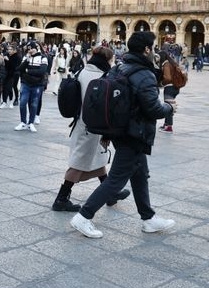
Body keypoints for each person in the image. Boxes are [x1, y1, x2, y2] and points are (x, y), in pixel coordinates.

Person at [70, 31, 177, 239]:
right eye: (153, 47)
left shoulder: (120, 66)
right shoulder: (143, 73)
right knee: (116, 180)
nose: (154, 50)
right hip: (134, 133)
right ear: (146, 49)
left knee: (140, 175)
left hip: (121, 131)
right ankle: (84, 216)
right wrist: (169, 107)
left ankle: (148, 218)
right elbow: (153, 109)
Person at [52, 46, 130, 212]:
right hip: (92, 126)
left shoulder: (82, 71)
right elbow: (102, 106)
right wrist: (107, 131)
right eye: (111, 60)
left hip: (81, 123)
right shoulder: (101, 76)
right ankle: (61, 199)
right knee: (77, 162)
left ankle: (110, 194)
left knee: (97, 159)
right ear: (107, 60)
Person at [14, 42, 48, 132]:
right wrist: (27, 61)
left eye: (31, 48)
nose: (30, 50)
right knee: (22, 103)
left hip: (37, 85)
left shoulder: (43, 58)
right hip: (26, 84)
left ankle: (31, 123)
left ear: (36, 48)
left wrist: (28, 70)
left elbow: (42, 71)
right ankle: (23, 122)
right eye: (28, 49)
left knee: (34, 104)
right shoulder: (26, 57)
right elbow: (20, 69)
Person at [158, 51, 185, 134]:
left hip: (169, 87)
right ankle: (166, 124)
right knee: (170, 105)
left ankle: (169, 126)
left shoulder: (166, 64)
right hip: (175, 87)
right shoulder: (172, 63)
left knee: (169, 107)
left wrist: (161, 83)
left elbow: (168, 78)